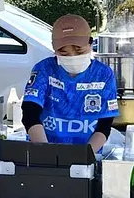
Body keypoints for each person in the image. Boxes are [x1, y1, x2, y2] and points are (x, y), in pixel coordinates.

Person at [23, 15, 117, 153]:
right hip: (43, 150)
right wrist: (46, 153)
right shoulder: (44, 69)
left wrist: (84, 157)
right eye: (64, 53)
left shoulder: (103, 74)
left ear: (91, 44)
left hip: (88, 153)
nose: (72, 57)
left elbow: (105, 125)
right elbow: (30, 114)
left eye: (79, 51)